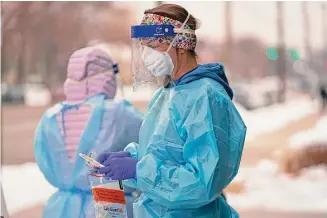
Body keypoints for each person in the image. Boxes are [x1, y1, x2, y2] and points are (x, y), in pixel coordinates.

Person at [94, 4, 246, 218]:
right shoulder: (167, 94)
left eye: (154, 46)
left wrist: (139, 169)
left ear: (181, 44)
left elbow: (202, 182)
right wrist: (130, 157)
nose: (147, 55)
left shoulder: (206, 97)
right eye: (143, 46)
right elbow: (166, 150)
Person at [34, 46, 143, 218]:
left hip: (60, 210)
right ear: (108, 78)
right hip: (110, 206)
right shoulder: (122, 114)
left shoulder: (49, 118)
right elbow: (150, 155)